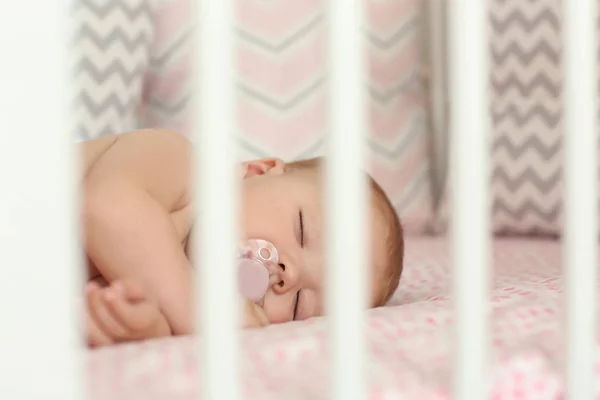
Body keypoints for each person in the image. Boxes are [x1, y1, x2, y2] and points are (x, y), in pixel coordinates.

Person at [81, 129, 404, 347]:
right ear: (256, 171)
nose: (286, 274)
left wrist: (139, 327)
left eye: (299, 303)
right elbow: (106, 207)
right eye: (301, 229)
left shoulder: (172, 307)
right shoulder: (178, 162)